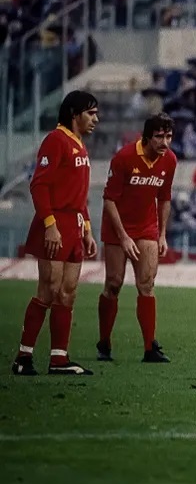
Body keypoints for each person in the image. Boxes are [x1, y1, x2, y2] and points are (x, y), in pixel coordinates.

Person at [12, 91, 100, 376]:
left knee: (68, 292)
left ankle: (59, 359)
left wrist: (87, 229)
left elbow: (80, 195)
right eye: (91, 113)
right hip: (56, 222)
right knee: (49, 288)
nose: (96, 119)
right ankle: (23, 357)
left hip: (74, 223)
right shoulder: (55, 140)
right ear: (74, 114)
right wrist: (50, 224)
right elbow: (39, 185)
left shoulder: (79, 145)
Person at [97, 113, 178, 363]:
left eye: (168, 136)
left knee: (147, 283)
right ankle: (104, 342)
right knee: (114, 283)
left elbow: (164, 198)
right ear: (147, 137)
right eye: (159, 137)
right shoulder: (124, 158)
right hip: (117, 226)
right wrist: (122, 237)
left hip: (146, 227)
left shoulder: (169, 161)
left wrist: (162, 234)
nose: (165, 142)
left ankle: (148, 348)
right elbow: (109, 199)